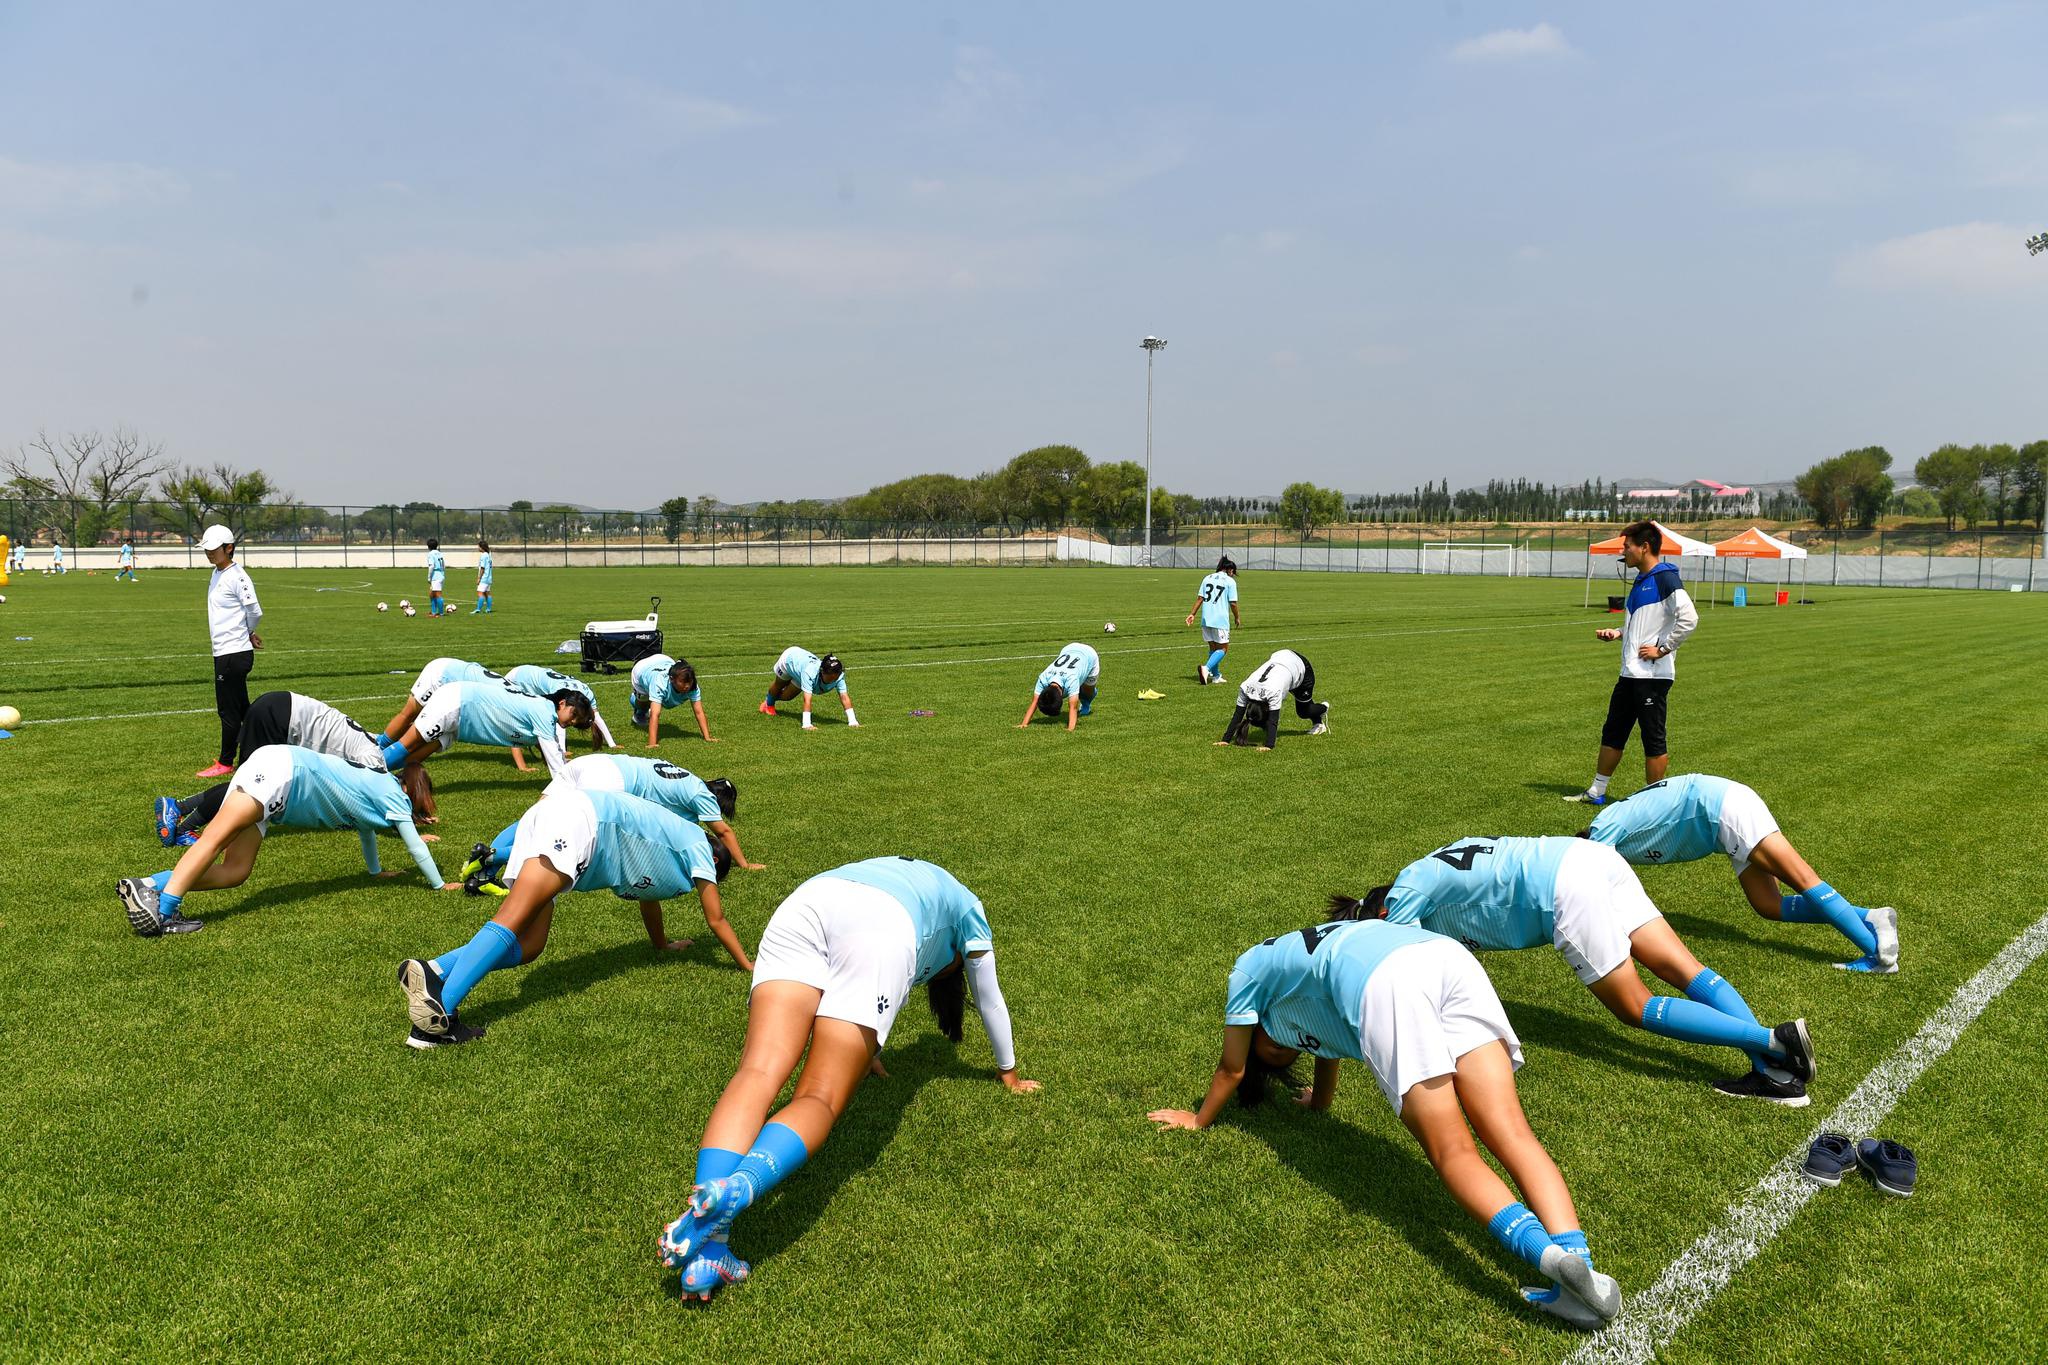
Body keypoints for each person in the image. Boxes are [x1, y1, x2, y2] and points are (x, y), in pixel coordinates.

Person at [1148, 914, 1623, 1330]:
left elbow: (1231, 1067)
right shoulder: (1298, 972)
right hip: (1444, 957)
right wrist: (1318, 1104)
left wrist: (1198, 1118)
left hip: (1389, 982)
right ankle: (1580, 1274)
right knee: (1513, 1133)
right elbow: (1324, 1050)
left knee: (1453, 1150)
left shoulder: (1245, 973)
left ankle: (1549, 1257)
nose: (1281, 1050)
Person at [657, 857, 1037, 1298]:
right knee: (818, 1096)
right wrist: (1008, 1072)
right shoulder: (971, 910)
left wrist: (867, 1050)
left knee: (757, 1072)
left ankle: (709, 1250)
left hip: (808, 903)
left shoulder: (917, 875)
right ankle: (739, 1189)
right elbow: (988, 998)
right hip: (882, 928)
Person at [1352, 835, 1815, 1105]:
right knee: (1684, 968)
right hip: (1587, 858)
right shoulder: (1434, 870)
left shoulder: (1404, 893)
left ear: (1380, 912)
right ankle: (1775, 1074)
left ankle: (1773, 1041)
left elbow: (1399, 956)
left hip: (1561, 890)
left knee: (1635, 1006)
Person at [396, 787, 744, 1049]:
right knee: (512, 917)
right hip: (581, 821)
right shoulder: (700, 844)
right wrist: (749, 965)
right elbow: (717, 920)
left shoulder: (672, 842)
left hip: (556, 813)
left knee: (531, 943)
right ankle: (439, 1013)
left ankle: (435, 971)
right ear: (715, 862)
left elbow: (648, 900)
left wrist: (663, 945)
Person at [117, 743, 457, 937]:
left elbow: (365, 831)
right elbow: (414, 845)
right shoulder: (395, 796)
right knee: (215, 839)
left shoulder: (377, 788)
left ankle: (147, 886)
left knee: (235, 870)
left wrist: (375, 872)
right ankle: (163, 914)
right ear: (414, 792)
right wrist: (440, 885)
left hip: (275, 768)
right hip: (284, 774)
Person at [1582, 773, 1898, 974]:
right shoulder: (1609, 834)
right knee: (1767, 904)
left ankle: (1877, 956)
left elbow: (1597, 884)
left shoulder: (1601, 830)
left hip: (1723, 810)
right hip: (1721, 822)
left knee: (1804, 879)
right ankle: (1871, 917)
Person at [154, 690, 434, 844]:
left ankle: (179, 814)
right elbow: (367, 810)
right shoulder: (374, 766)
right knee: (250, 787)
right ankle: (180, 816)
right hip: (279, 717)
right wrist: (408, 828)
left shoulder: (373, 751)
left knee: (250, 785)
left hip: (279, 707)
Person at [459, 753, 763, 891]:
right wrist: (744, 864)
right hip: (611, 784)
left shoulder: (689, 781)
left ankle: (485, 869)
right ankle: (494, 856)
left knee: (538, 818)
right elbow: (722, 831)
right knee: (565, 843)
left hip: (595, 763)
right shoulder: (702, 796)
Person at [1566, 522, 1697, 805]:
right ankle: (1596, 792)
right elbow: (1643, 625)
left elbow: (1689, 618)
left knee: (1653, 739)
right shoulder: (1640, 579)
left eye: (1627, 546)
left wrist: (1662, 649)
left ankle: (1656, 803)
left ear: (1644, 547)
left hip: (1652, 678)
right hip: (1629, 674)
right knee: (1613, 732)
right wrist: (1618, 633)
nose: (1623, 551)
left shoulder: (1666, 579)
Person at [380, 679, 593, 782]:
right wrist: (573, 788)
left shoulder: (544, 711)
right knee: (407, 744)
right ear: (562, 703)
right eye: (574, 714)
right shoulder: (544, 711)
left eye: (578, 720)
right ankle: (368, 771)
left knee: (415, 757)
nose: (573, 722)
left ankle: (386, 780)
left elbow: (556, 757)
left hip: (461, 722)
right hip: (457, 702)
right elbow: (556, 767)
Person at [198, 524, 262, 779]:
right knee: (244, 709)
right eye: (207, 550)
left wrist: (247, 633)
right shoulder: (217, 572)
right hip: (226, 651)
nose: (209, 554)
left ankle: (226, 762)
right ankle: (266, 747)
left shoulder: (238, 577)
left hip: (233, 653)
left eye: (214, 549)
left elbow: (255, 611)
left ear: (229, 548)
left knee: (228, 710)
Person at [1216, 648, 1329, 749]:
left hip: (1300, 666)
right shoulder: (1245, 688)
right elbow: (1238, 714)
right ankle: (1319, 724)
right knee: (1304, 706)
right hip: (1281, 660)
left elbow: (1273, 720)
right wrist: (1225, 740)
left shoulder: (1273, 692)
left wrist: (1269, 745)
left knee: (1304, 712)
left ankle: (1324, 708)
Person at [504, 663, 615, 761]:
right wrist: (561, 751)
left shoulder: (587, 694)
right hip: (518, 678)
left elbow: (596, 716)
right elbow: (559, 721)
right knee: (520, 721)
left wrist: (612, 744)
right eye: (574, 716)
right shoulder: (561, 694)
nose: (573, 722)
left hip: (528, 673)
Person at [379, 657, 503, 744]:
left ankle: (391, 748)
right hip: (441, 675)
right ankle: (379, 746)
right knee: (409, 713)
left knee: (426, 725)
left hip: (452, 676)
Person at [760, 647, 858, 730]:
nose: (833, 680)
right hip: (788, 660)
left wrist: (853, 721)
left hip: (800, 670)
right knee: (779, 684)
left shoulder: (839, 676)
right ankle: (769, 705)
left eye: (835, 677)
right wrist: (807, 724)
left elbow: (844, 697)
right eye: (831, 677)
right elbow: (807, 699)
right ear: (822, 672)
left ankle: (769, 699)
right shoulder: (810, 673)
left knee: (787, 696)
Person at [632, 653, 716, 744]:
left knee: (657, 701)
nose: (687, 686)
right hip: (641, 669)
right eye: (682, 682)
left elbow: (699, 712)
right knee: (643, 701)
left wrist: (707, 737)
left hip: (664, 660)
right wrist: (652, 744)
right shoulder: (659, 684)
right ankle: (637, 707)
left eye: (689, 681)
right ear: (671, 679)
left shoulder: (692, 685)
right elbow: (655, 714)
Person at [1016, 642, 1099, 731]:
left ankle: (1086, 704)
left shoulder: (1071, 680)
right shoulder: (1043, 678)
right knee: (1076, 691)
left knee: (1088, 691)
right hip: (1068, 649)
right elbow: (1034, 701)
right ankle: (1077, 690)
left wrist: (1070, 729)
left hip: (1089, 656)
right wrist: (1024, 724)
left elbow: (1073, 707)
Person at [1184, 555, 1240, 685]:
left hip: (1206, 619)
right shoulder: (1229, 581)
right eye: (1233, 572)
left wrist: (1192, 614)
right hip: (1220, 620)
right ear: (1230, 570)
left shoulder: (1207, 578)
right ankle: (1206, 668)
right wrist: (1237, 617)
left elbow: (1200, 598)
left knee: (1213, 648)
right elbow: (1233, 603)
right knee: (1223, 649)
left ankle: (1216, 676)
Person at [424, 538, 448, 617]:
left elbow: (431, 566)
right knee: (431, 594)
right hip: (440, 574)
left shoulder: (431, 554)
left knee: (438, 594)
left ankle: (440, 613)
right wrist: (442, 573)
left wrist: (428, 577)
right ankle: (434, 612)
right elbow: (444, 565)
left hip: (436, 576)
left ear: (428, 546)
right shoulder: (439, 553)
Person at [471, 540, 494, 614]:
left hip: (484, 578)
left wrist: (479, 578)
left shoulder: (483, 555)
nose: (478, 548)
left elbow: (482, 568)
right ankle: (488, 609)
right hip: (489, 577)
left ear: (482, 547)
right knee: (487, 593)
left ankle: (478, 609)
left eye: (479, 546)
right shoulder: (488, 555)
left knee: (480, 593)